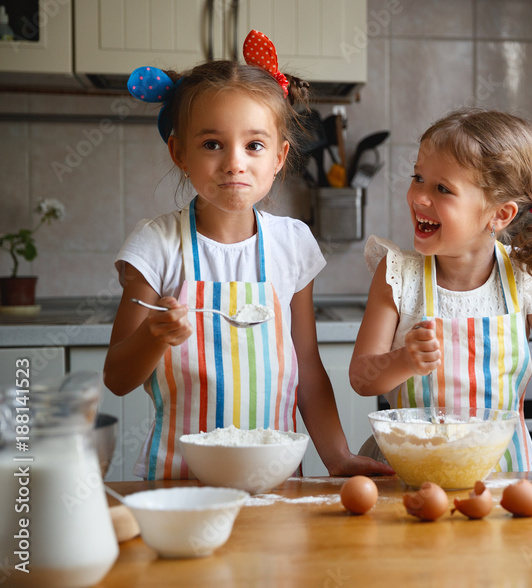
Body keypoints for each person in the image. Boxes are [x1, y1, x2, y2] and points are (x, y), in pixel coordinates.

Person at [104, 30, 392, 480]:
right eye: (212, 144)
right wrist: (155, 336)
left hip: (275, 481)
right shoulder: (156, 244)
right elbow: (117, 378)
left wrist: (337, 457)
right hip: (180, 482)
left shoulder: (292, 244)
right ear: (179, 152)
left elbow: (308, 368)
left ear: (279, 157)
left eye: (254, 145)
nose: (234, 162)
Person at [349, 109, 532, 480]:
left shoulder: (526, 278)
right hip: (409, 473)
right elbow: (362, 378)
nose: (420, 197)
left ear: (500, 214)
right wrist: (403, 362)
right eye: (418, 178)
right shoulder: (397, 275)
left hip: (502, 473)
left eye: (442, 189)